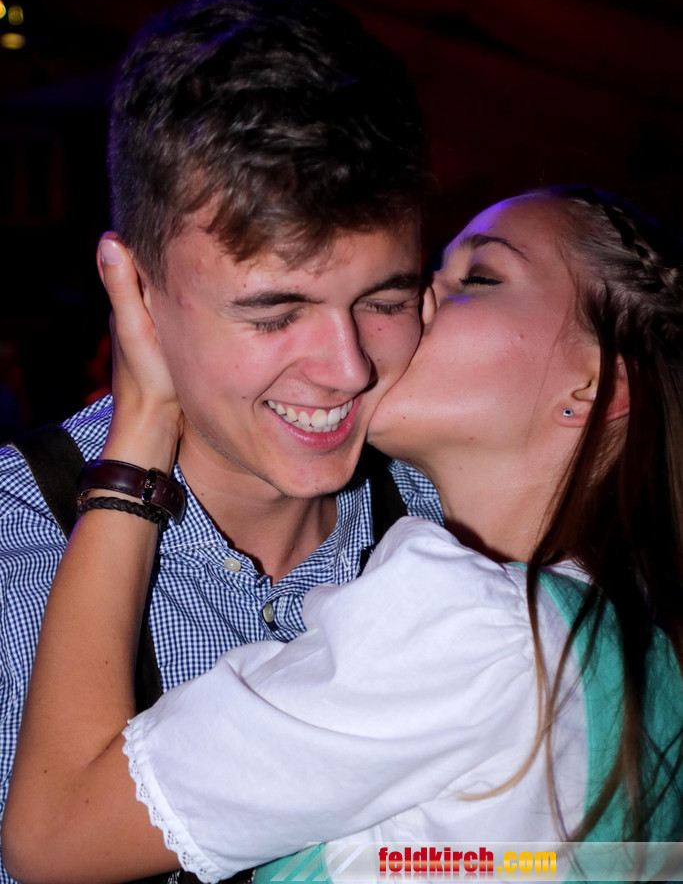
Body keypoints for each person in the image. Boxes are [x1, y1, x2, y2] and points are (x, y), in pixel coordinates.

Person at [5, 186, 683, 884]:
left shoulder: (474, 624)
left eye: (478, 280)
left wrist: (142, 426)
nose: (418, 306)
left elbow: (53, 833)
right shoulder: (640, 647)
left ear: (595, 387)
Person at [0, 0, 442, 884]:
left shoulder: (464, 520)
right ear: (136, 290)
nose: (346, 368)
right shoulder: (14, 555)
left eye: (383, 300)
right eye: (274, 313)